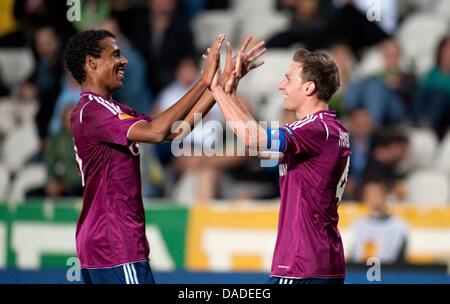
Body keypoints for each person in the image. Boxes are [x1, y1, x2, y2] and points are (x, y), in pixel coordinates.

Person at [63, 30, 265, 284]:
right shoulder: (93, 110)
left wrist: (219, 87)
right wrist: (202, 82)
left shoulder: (112, 109)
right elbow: (157, 132)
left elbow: (175, 131)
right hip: (114, 240)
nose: (123, 61)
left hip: (109, 239)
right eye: (115, 54)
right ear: (91, 63)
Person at [210, 48, 350, 284]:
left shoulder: (313, 129)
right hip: (323, 261)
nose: (281, 86)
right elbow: (260, 144)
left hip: (301, 263)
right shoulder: (331, 129)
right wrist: (231, 96)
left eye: (288, 78)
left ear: (308, 88)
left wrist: (216, 90)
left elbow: (253, 139)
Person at [349, 177, 408, 264]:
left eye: (377, 194)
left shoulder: (399, 226)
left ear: (386, 195)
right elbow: (353, 256)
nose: (374, 198)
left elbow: (400, 259)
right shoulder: (358, 224)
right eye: (369, 195)